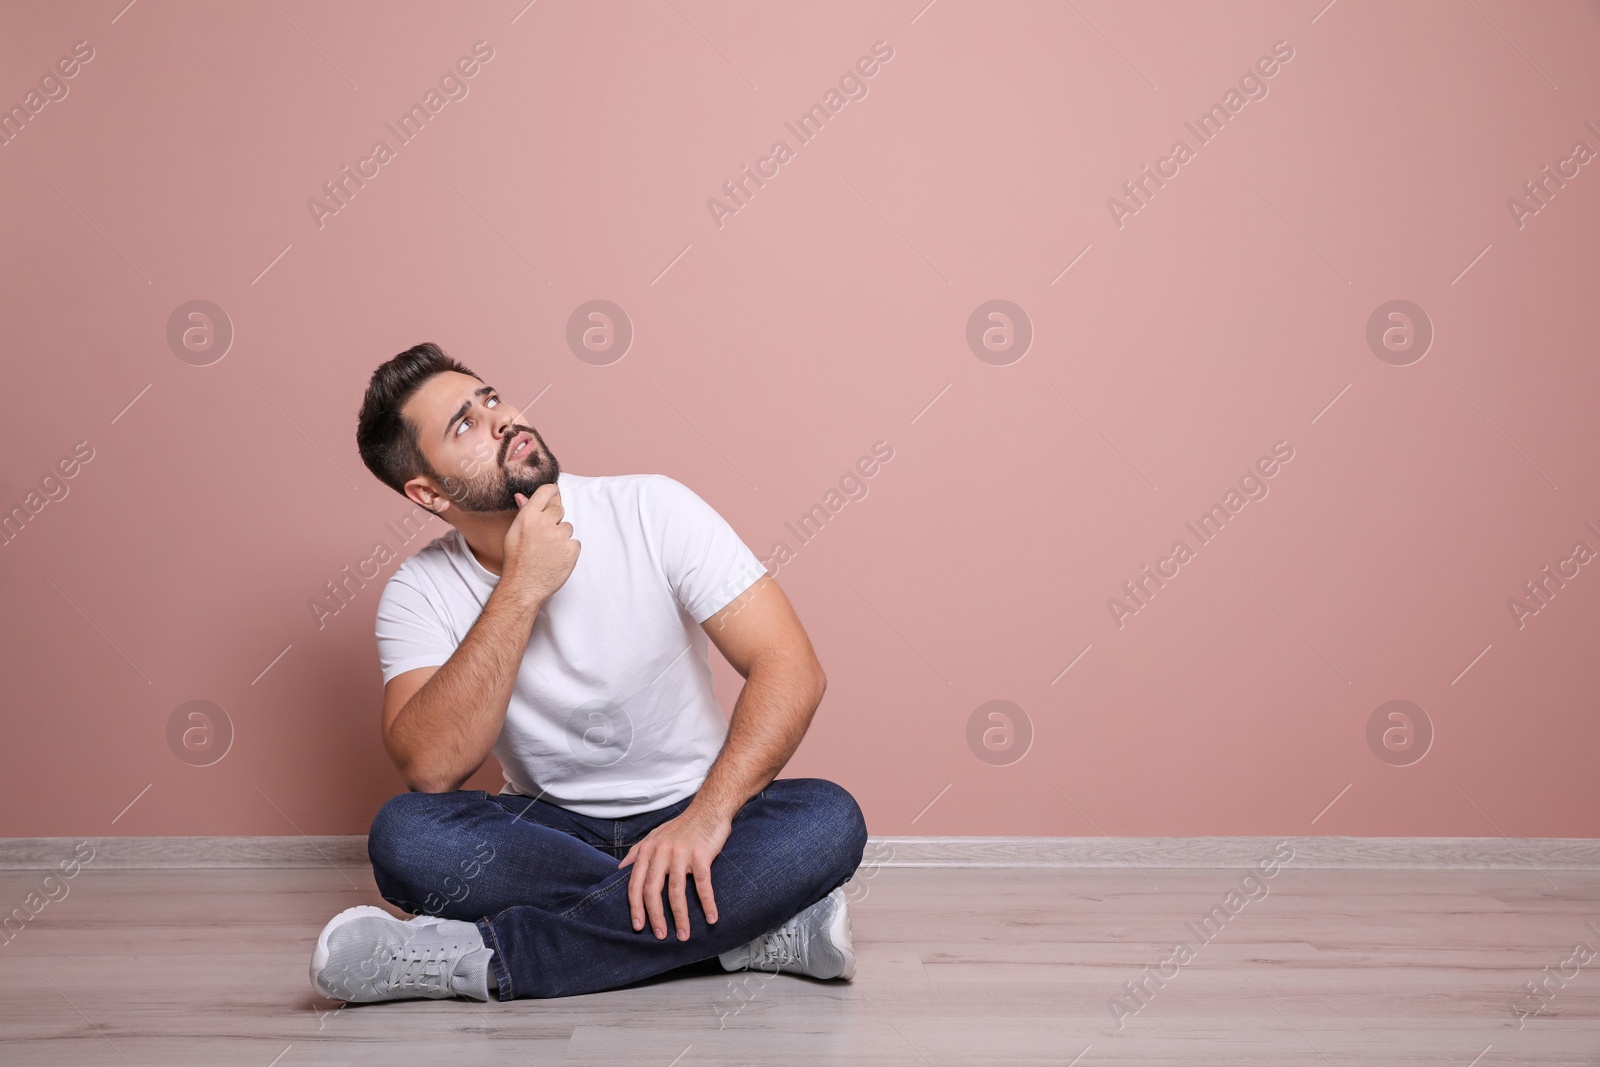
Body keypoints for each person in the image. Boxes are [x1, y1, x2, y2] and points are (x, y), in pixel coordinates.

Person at [309, 342, 867, 1003]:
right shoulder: (419, 588)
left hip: (701, 808)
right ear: (427, 491)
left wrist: (706, 818)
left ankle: (485, 961)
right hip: (548, 833)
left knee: (831, 818)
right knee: (406, 838)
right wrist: (521, 586)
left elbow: (791, 666)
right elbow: (431, 767)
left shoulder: (653, 508)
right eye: (464, 424)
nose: (501, 419)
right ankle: (737, 933)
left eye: (491, 398)